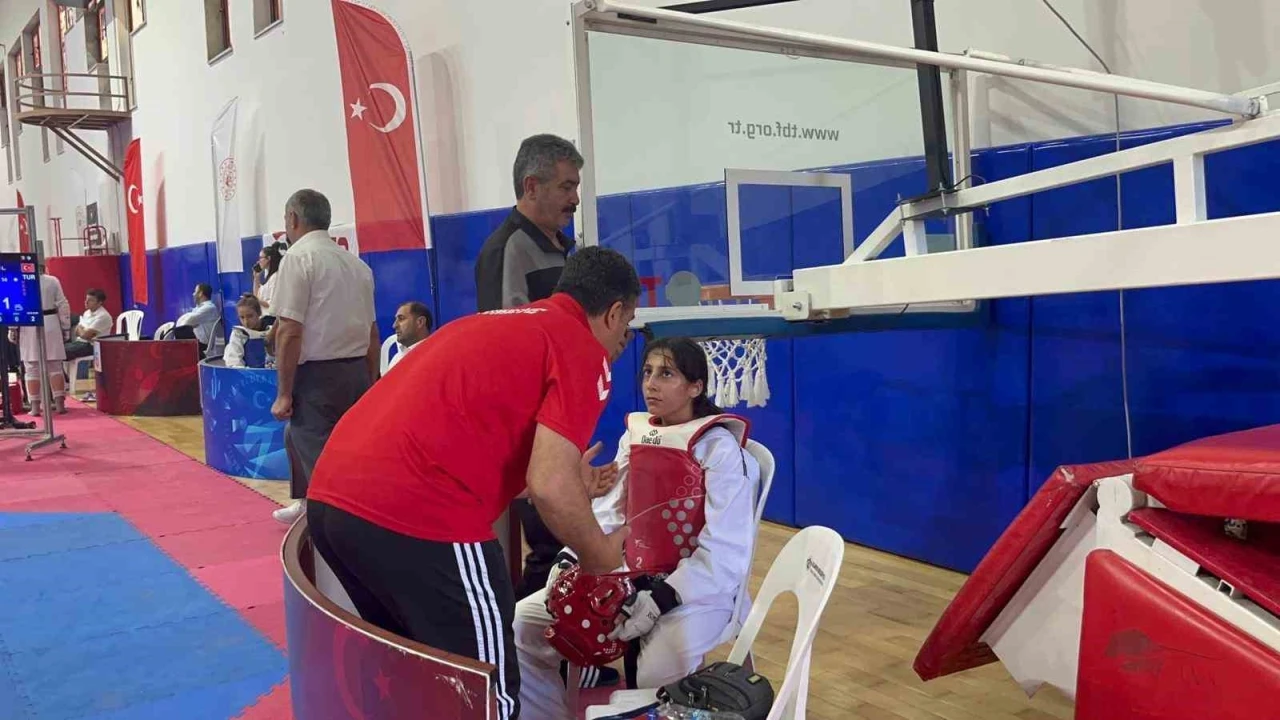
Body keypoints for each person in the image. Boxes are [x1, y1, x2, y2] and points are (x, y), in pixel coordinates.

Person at [304, 246, 640, 720]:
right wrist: (602, 559)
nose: (624, 339)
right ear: (615, 312)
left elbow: (513, 461)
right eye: (628, 325)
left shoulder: (495, 323)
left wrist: (569, 480)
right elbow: (549, 486)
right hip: (416, 512)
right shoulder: (580, 348)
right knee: (485, 694)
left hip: (331, 503)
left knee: (414, 677)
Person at [514, 337, 761, 720]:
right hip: (627, 575)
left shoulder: (719, 449)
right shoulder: (635, 434)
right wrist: (572, 558)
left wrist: (665, 596)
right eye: (647, 372)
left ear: (695, 387)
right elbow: (611, 512)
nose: (651, 384)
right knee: (522, 625)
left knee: (656, 669)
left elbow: (726, 549)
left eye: (666, 374)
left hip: (702, 590)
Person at [476, 134, 591, 604]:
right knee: (548, 544)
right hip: (529, 424)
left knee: (561, 542)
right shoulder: (508, 249)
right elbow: (504, 349)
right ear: (531, 186)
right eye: (566, 186)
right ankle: (526, 638)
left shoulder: (560, 246)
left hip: (558, 418)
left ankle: (553, 634)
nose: (575, 198)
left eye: (576, 186)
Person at [269, 188, 379, 525]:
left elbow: (290, 331)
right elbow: (372, 333)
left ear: (293, 219)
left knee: (321, 458)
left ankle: (338, 526)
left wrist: (284, 393)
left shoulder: (297, 258)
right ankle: (308, 503)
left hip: (317, 377)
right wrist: (372, 382)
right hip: (356, 372)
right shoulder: (357, 265)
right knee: (299, 438)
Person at [7, 267, 70, 415]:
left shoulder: (20, 281)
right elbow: (63, 304)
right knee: (55, 366)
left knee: (31, 368)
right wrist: (65, 327)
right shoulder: (53, 280)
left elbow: (15, 305)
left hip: (28, 322)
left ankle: (35, 407)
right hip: (51, 322)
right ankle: (60, 405)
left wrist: (12, 328)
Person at [223, 294, 276, 369]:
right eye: (242, 317)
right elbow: (234, 361)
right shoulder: (239, 333)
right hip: (248, 374)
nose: (246, 322)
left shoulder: (272, 330)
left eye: (250, 316)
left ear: (259, 313)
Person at [64, 288, 112, 360]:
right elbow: (77, 331)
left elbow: (85, 335)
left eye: (91, 300)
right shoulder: (87, 313)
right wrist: (83, 332)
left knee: (63, 352)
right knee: (58, 350)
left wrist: (82, 331)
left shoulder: (103, 316)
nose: (86, 302)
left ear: (99, 303)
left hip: (92, 346)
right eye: (86, 299)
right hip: (80, 342)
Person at [175, 283, 221, 356]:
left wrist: (187, 322)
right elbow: (187, 320)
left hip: (203, 345)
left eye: (195, 291)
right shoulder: (199, 308)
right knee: (179, 332)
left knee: (180, 331)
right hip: (198, 342)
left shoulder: (209, 308)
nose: (193, 294)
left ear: (200, 293)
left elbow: (187, 321)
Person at [385, 300, 432, 372]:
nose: (394, 325)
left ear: (420, 322)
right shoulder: (396, 359)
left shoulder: (435, 356)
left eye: (401, 318)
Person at [252, 241, 285, 315]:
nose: (258, 261)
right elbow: (257, 296)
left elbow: (272, 304)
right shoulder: (268, 277)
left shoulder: (275, 277)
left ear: (268, 258)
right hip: (263, 315)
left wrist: (255, 300)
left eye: (261, 258)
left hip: (270, 317)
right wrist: (256, 278)